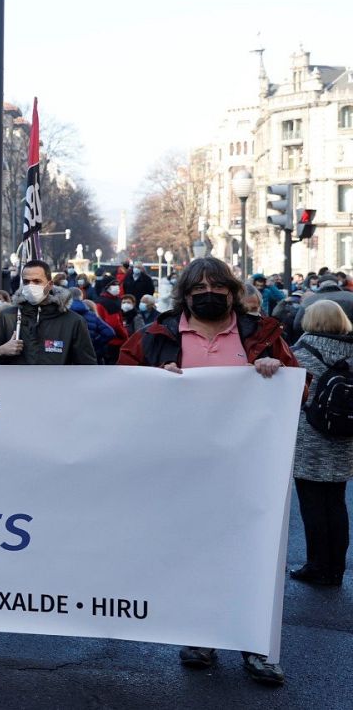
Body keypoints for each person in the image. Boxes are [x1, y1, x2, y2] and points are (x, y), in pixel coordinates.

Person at [118, 256, 294, 686]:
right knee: (194, 555)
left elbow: (297, 387)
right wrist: (153, 378)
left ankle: (257, 647)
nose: (208, 295)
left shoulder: (262, 335)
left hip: (250, 470)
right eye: (198, 290)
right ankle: (200, 637)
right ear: (185, 296)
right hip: (184, 469)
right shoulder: (156, 336)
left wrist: (276, 371)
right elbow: (122, 385)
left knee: (255, 557)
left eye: (217, 288)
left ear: (233, 293)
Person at [288, 300, 353, 588]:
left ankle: (316, 565)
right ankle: (336, 569)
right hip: (343, 438)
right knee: (336, 504)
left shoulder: (300, 353)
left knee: (313, 506)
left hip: (310, 440)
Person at [0, 261, 96, 366]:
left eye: (37, 281)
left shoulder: (73, 321)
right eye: (26, 282)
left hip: (55, 386)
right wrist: (0, 351)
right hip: (17, 386)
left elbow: (87, 366)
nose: (31, 286)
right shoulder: (7, 317)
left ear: (50, 285)